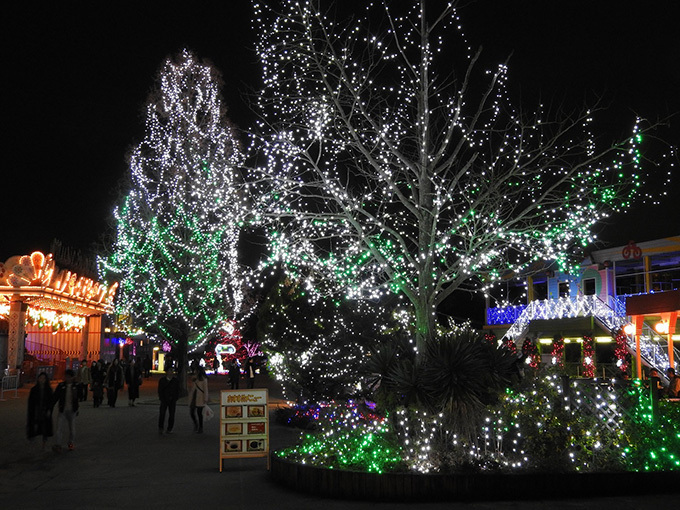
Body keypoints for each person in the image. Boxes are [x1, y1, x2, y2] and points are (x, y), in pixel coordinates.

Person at [51, 369, 79, 452]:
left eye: (69, 377)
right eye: (66, 376)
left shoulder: (76, 386)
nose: (67, 378)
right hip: (62, 409)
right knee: (59, 429)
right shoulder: (61, 386)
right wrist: (50, 406)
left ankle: (71, 443)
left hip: (72, 410)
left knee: (72, 430)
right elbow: (55, 397)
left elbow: (79, 396)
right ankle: (58, 444)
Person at [27, 372, 54, 450]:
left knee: (45, 427)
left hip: (44, 410)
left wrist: (49, 410)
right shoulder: (34, 390)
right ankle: (33, 438)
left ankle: (43, 443)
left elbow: (51, 401)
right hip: (36, 410)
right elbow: (31, 402)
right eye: (40, 378)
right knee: (35, 424)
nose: (42, 380)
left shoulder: (48, 390)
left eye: (43, 378)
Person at [158, 368, 180, 434]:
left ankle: (170, 428)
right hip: (164, 399)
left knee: (172, 414)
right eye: (169, 372)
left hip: (172, 400)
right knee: (162, 414)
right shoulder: (162, 380)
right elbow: (160, 390)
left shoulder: (175, 381)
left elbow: (177, 390)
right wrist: (161, 398)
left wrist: (175, 398)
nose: (170, 373)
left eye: (171, 372)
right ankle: (161, 427)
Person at [189, 366, 209, 433]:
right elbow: (192, 388)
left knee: (199, 413)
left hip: (200, 397)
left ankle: (200, 427)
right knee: (192, 412)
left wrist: (205, 398)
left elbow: (205, 390)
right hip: (194, 397)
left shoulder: (203, 379)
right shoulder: (195, 378)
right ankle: (196, 424)